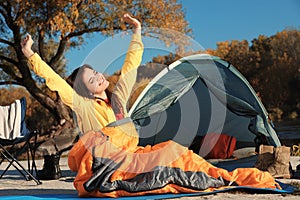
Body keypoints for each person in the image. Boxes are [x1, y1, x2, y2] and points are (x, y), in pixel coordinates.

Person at [21, 13, 143, 180]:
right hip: (108, 165)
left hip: (131, 156)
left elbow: (131, 64)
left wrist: (137, 30)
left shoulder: (118, 97)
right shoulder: (85, 106)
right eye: (92, 80)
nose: (99, 77)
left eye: (95, 72)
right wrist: (29, 54)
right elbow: (56, 80)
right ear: (87, 92)